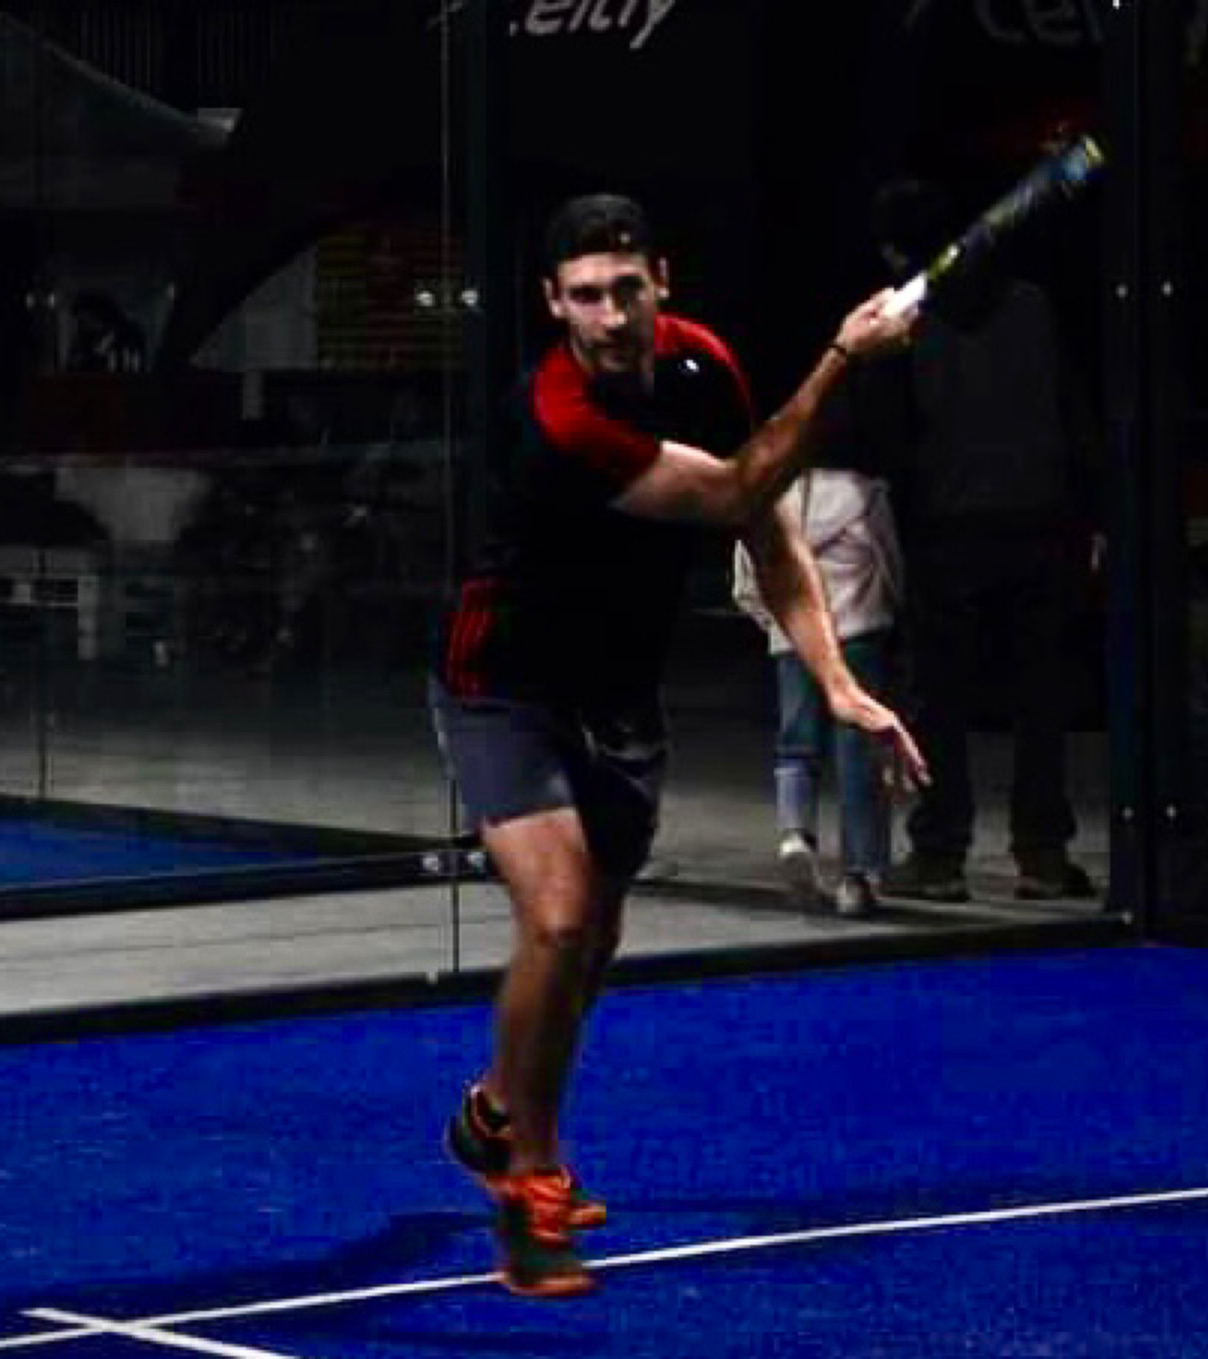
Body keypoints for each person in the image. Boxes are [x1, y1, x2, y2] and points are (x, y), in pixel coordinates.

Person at [429, 193, 923, 1297]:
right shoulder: (558, 418)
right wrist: (844, 357)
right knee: (558, 918)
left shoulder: (703, 366)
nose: (610, 317)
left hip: (619, 695)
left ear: (662, 281)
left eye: (626, 289)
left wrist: (837, 682)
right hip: (502, 687)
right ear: (554, 304)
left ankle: (497, 1106)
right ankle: (530, 1182)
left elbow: (768, 522)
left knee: (592, 945)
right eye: (586, 297)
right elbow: (740, 483)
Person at [871, 178, 1101, 905]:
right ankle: (1043, 854)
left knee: (940, 698)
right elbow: (1074, 416)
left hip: (948, 529)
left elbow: (893, 437)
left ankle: (939, 855)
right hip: (1040, 521)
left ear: (898, 250)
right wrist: (1091, 513)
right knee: (1041, 696)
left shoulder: (906, 321)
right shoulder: (1031, 305)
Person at [732, 457, 904, 917]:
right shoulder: (864, 494)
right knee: (859, 751)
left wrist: (774, 620)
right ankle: (858, 875)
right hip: (858, 630)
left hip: (792, 634)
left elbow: (747, 574)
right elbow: (888, 562)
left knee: (795, 744)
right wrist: (888, 608)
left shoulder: (766, 496)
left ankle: (795, 835)